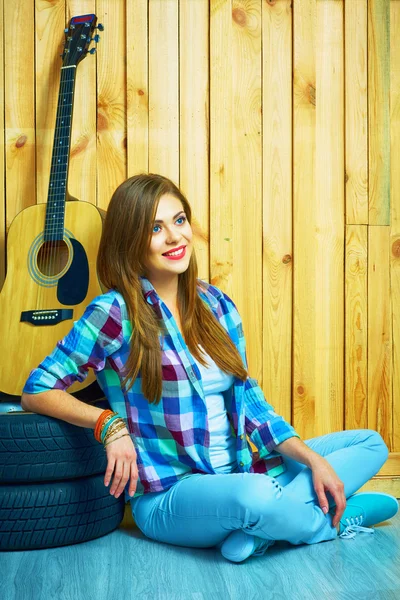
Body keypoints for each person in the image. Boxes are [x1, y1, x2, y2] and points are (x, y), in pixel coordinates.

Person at [22, 173, 398, 563]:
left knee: (371, 445)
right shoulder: (115, 313)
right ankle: (326, 521)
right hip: (172, 495)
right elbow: (37, 389)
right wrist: (109, 425)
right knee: (255, 496)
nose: (174, 237)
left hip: (243, 473)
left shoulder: (217, 305)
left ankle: (259, 534)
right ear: (129, 240)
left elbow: (254, 409)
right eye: (155, 228)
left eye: (179, 220)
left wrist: (314, 461)